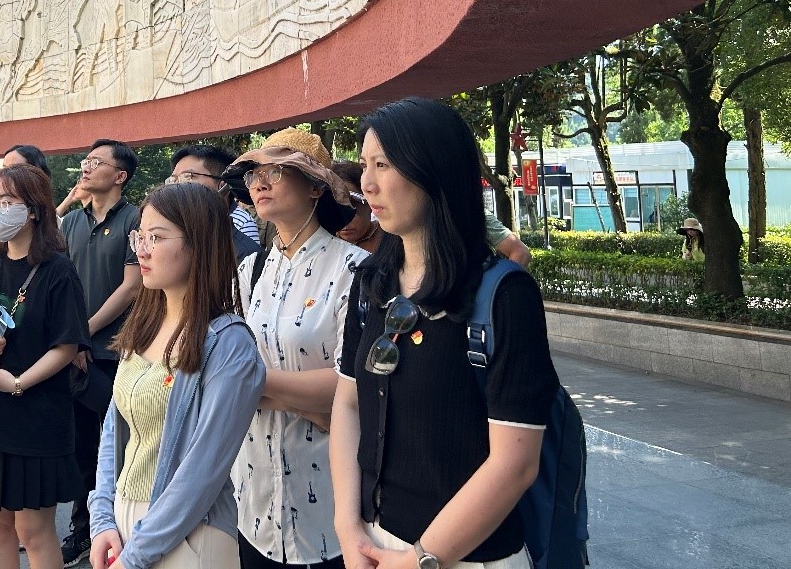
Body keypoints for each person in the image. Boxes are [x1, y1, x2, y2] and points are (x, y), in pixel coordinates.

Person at [331, 98, 561, 569]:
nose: (367, 184)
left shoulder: (504, 295)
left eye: (383, 165)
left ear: (434, 170)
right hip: (374, 544)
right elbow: (349, 401)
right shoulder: (371, 283)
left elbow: (515, 464)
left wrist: (420, 559)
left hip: (466, 558)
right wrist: (347, 525)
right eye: (364, 165)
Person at [89, 183, 266, 569]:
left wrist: (135, 555)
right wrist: (102, 517)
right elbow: (114, 428)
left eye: (156, 237)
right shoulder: (145, 323)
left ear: (198, 244)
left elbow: (203, 471)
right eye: (139, 236)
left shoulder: (228, 343)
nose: (141, 249)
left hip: (189, 536)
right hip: (124, 523)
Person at [227, 128, 363, 569]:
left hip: (328, 499)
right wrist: (297, 399)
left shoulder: (354, 269)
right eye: (254, 175)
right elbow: (227, 365)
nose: (259, 183)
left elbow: (354, 383)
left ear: (315, 188)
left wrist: (253, 385)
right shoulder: (250, 270)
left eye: (276, 172)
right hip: (253, 496)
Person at [0, 164, 91, 569]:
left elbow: (66, 346)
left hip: (36, 414)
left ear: (33, 210)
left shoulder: (57, 270)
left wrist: (17, 383)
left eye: (7, 201)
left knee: (33, 530)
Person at [59, 138, 143, 566]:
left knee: (120, 445)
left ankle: (122, 526)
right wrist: (72, 340)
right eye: (86, 160)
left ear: (120, 176)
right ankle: (83, 528)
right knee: (80, 444)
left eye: (97, 162)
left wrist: (82, 334)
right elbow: (57, 278)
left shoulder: (135, 218)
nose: (86, 167)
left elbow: (132, 286)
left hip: (118, 351)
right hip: (74, 351)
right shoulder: (71, 220)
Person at [168, 144, 262, 261]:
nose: (176, 187)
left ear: (222, 186)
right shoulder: (173, 233)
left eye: (187, 177)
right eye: (173, 180)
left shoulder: (242, 237)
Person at [332, 161, 383, 255]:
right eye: (335, 207)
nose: (345, 218)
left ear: (369, 203)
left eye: (352, 205)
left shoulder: (391, 239)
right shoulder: (325, 245)